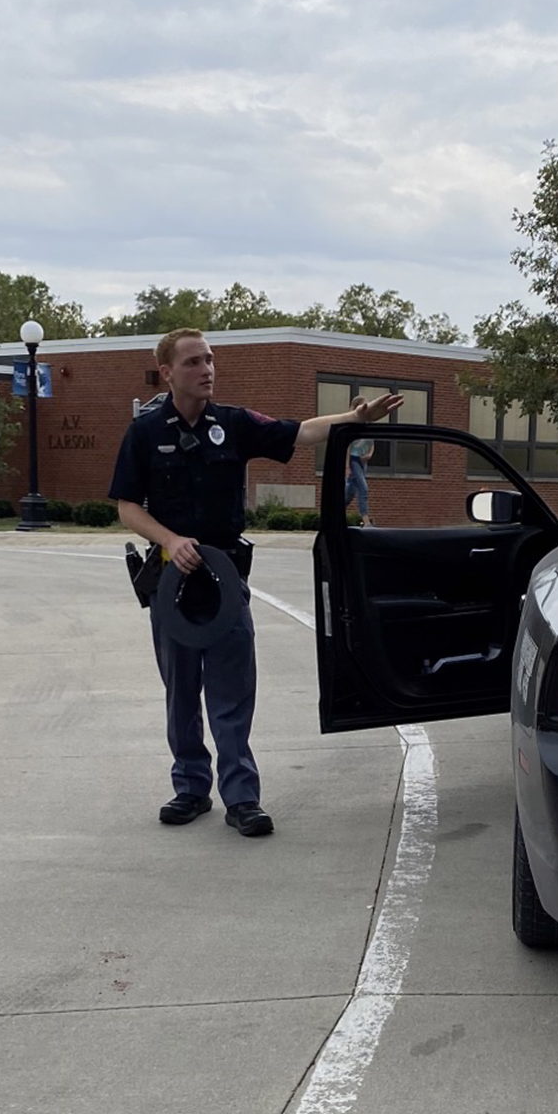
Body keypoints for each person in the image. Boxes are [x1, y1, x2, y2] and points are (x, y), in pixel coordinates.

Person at [110, 328, 401, 837]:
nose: (207, 369)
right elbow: (126, 505)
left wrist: (355, 421)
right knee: (181, 692)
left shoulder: (235, 424)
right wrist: (171, 539)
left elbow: (302, 432)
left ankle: (241, 797)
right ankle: (190, 789)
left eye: (210, 360)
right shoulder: (144, 432)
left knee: (232, 691)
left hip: (225, 581)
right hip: (171, 584)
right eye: (194, 362)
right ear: (168, 373)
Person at [344, 401, 375, 525]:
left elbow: (372, 442)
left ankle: (335, 511)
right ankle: (366, 520)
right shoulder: (352, 427)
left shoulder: (368, 425)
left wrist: (370, 454)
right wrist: (347, 466)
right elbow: (347, 447)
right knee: (363, 488)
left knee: (350, 491)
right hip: (353, 459)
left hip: (363, 461)